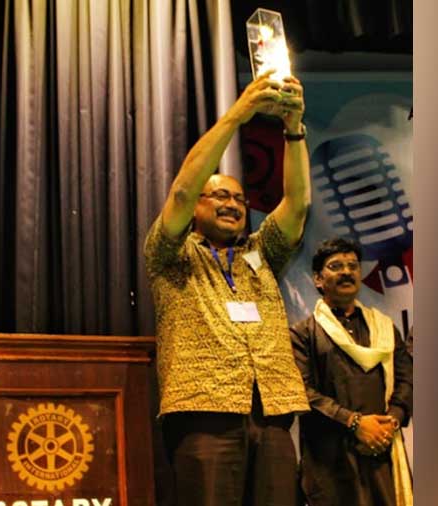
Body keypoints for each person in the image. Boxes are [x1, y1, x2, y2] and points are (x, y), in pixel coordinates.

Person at [144, 72, 311, 506]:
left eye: (238, 199)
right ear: (196, 208)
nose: (231, 204)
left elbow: (298, 205)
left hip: (272, 410)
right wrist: (239, 115)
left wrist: (293, 128)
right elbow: (181, 191)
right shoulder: (170, 254)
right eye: (217, 195)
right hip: (205, 412)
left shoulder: (262, 252)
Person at [289, 238, 413, 505]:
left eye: (353, 266)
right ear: (318, 280)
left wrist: (390, 422)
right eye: (336, 266)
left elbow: (406, 379)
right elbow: (303, 392)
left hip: (383, 451)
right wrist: (355, 423)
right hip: (331, 459)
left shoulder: (384, 328)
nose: (346, 272)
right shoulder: (303, 334)